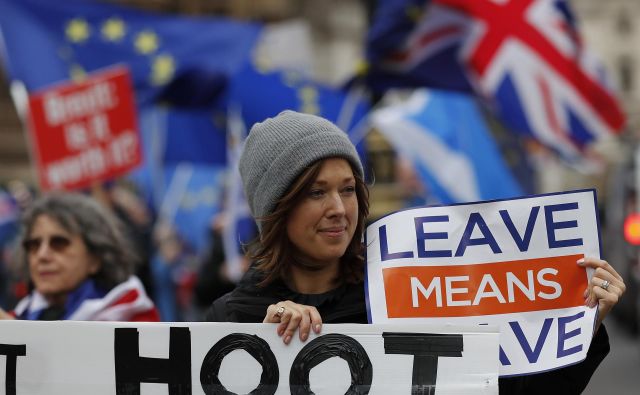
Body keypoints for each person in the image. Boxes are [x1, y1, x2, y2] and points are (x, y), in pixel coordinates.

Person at [206, 110, 625, 394]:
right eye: (316, 192)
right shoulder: (231, 319)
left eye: (348, 189)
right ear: (275, 209)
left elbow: (502, 387)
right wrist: (259, 348)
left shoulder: (410, 296)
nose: (338, 209)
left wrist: (579, 327)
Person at [0, 192, 159, 321]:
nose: (42, 255)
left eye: (59, 243)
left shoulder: (135, 321)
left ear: (95, 259)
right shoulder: (17, 319)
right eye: (33, 245)